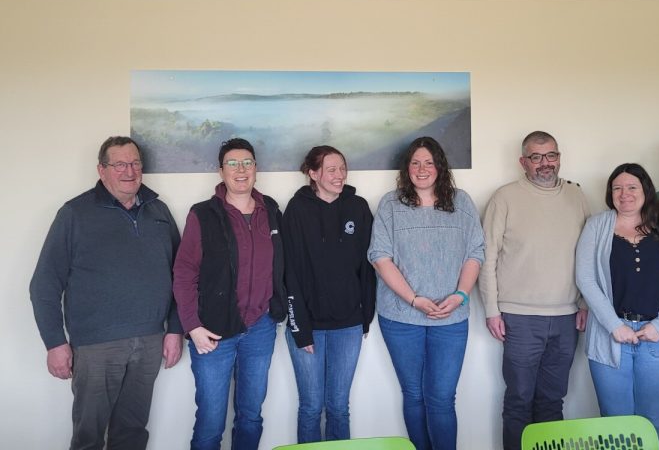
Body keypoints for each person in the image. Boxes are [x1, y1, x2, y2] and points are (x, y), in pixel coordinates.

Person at [29, 135, 182, 450]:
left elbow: (181, 277)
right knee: (89, 436)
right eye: (120, 164)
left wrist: (175, 330)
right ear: (102, 170)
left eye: (136, 163)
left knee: (133, 432)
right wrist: (55, 343)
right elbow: (44, 284)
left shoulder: (159, 211)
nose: (130, 171)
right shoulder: (75, 213)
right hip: (96, 347)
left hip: (151, 341)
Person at [367, 136, 485, 450]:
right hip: (401, 317)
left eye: (429, 162)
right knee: (414, 395)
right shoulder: (391, 204)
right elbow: (380, 256)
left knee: (442, 398)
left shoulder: (461, 203)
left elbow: (476, 253)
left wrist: (460, 295)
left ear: (440, 166)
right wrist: (414, 299)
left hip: (451, 318)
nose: (422, 169)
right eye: (415, 162)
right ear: (407, 168)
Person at [173, 138, 287, 450]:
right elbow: (184, 272)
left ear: (256, 169)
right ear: (221, 171)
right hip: (213, 332)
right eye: (232, 163)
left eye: (247, 162)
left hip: (260, 329)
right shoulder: (203, 214)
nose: (241, 169)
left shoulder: (272, 210)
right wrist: (192, 326)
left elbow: (281, 267)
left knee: (251, 417)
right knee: (210, 423)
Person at [478, 130, 590, 450]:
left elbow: (588, 255)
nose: (545, 163)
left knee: (553, 402)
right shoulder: (505, 197)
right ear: (523, 162)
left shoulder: (576, 196)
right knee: (518, 401)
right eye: (536, 157)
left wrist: (583, 303)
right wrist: (491, 310)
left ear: (559, 157)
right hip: (519, 317)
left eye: (551, 155)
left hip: (567, 317)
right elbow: (487, 257)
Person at [576, 163, 659, 450]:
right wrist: (615, 326)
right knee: (615, 422)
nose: (624, 193)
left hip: (658, 339)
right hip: (610, 336)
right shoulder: (596, 226)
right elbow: (585, 278)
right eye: (617, 188)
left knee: (653, 422)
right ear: (610, 193)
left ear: (645, 191)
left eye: (632, 187)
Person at [283, 145, 376, 443]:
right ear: (313, 173)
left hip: (348, 325)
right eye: (331, 169)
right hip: (308, 326)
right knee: (311, 408)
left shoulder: (358, 207)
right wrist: (300, 328)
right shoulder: (296, 210)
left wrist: (366, 316)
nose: (339, 175)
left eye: (342, 168)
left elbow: (368, 265)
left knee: (338, 408)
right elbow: (289, 273)